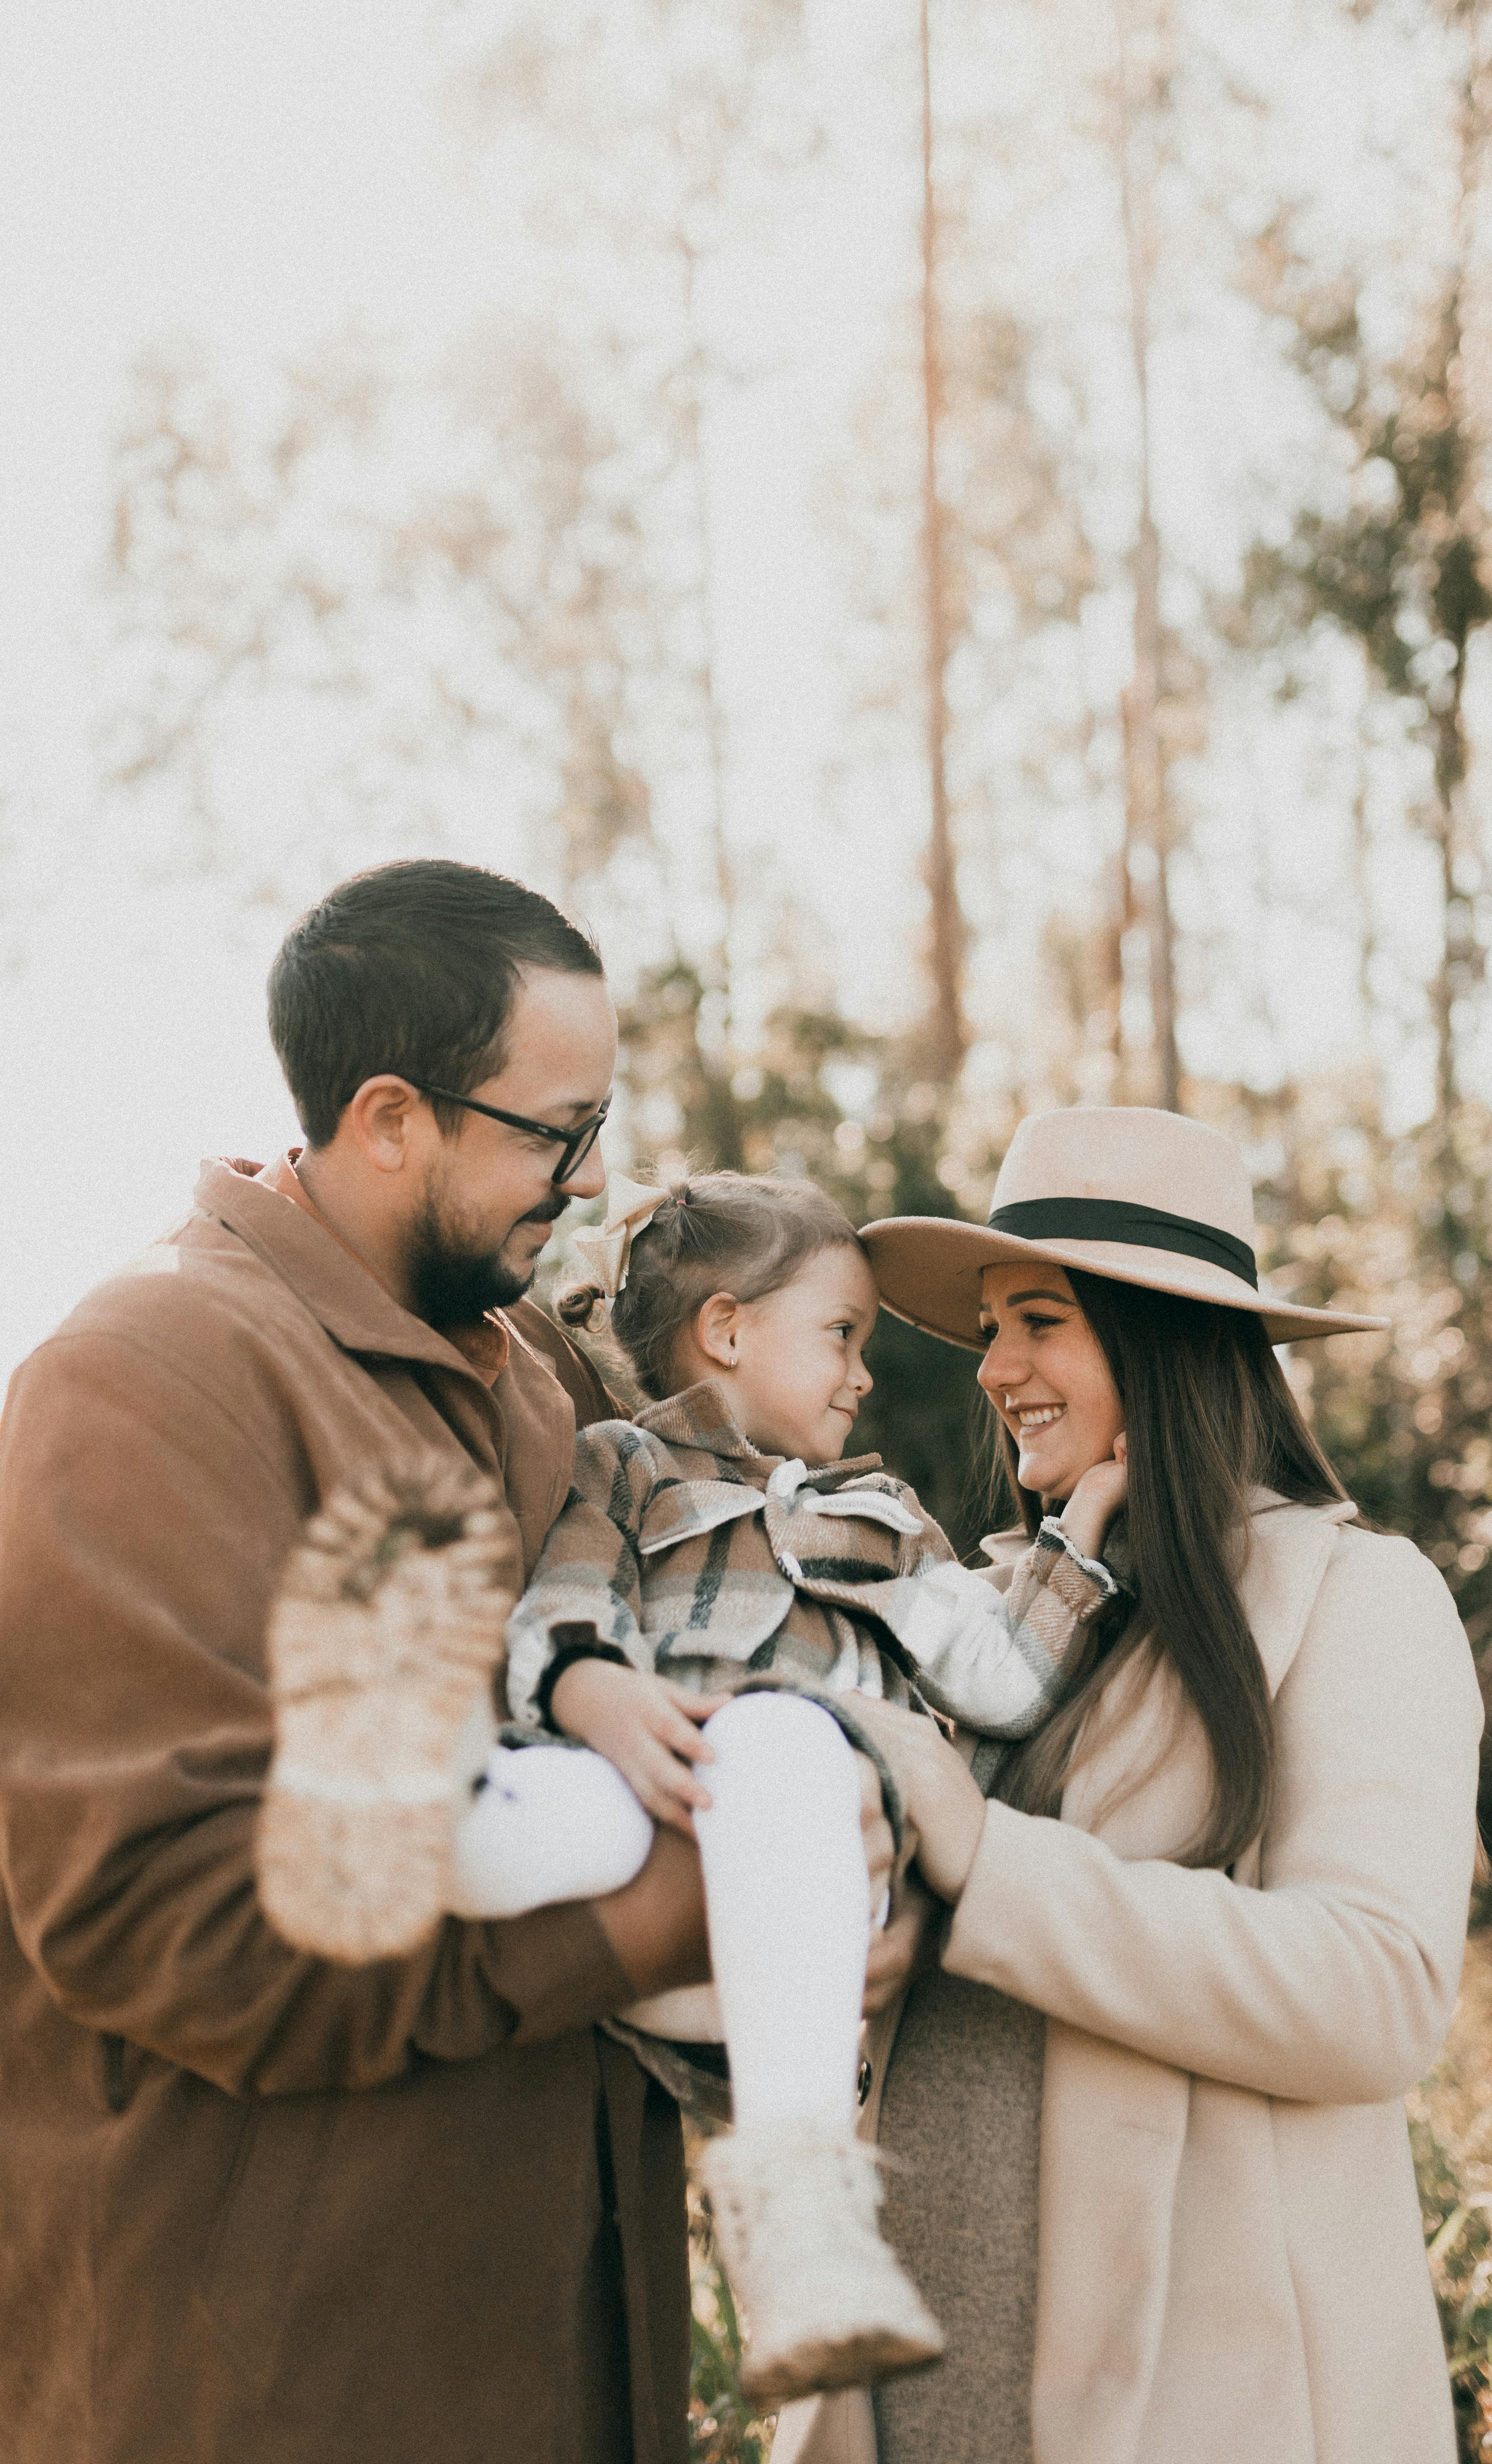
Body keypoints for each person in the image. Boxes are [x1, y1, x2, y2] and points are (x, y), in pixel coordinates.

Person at [0, 858, 891, 2464]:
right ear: (392, 1116)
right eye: (554, 1133)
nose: (595, 1174)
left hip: (554, 2351)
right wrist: (640, 1926)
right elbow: (166, 1923)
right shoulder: (145, 1378)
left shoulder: (537, 1368)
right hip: (274, 2384)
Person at [262, 1165, 1129, 2408]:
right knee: (524, 1808)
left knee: (778, 1736)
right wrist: (583, 1689)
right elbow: (566, 1600)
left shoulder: (882, 1514)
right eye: (841, 1334)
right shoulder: (619, 1467)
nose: (863, 1373)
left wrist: (1075, 1542)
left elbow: (1001, 1683)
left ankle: (800, 2220)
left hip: (794, 1939)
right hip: (648, 1841)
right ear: (727, 1330)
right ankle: (402, 1774)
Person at [777, 1102, 1483, 2464]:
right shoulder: (987, 1613)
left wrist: (990, 1862)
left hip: (1208, 2411)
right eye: (990, 1328)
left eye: (1039, 1320)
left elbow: (1377, 1995)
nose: (994, 1369)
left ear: (1160, 1342)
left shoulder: (1354, 1599)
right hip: (914, 2382)